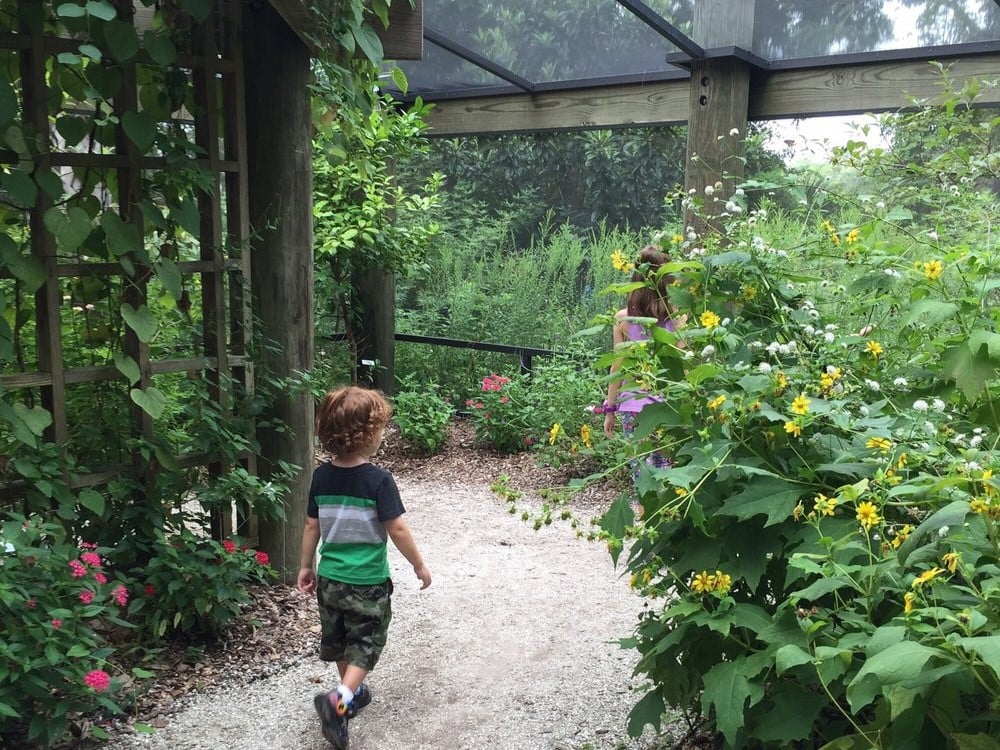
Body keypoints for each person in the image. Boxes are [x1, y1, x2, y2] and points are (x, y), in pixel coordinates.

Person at [297, 385, 432, 750]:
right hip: (367, 581)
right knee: (366, 642)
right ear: (368, 434)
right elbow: (397, 528)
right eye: (381, 429)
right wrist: (419, 565)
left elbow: (312, 525)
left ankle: (349, 697)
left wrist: (305, 565)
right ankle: (338, 700)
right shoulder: (378, 480)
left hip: (330, 579)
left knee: (341, 637)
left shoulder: (321, 477)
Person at [602, 246, 684, 470]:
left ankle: (642, 505)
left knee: (641, 470)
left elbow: (616, 369)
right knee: (668, 469)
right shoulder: (678, 319)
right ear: (666, 279)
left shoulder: (623, 319)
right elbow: (683, 367)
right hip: (667, 406)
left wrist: (610, 410)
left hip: (632, 405)